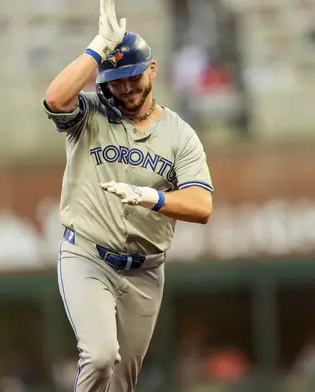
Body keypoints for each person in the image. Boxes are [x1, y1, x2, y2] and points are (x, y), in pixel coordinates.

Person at [42, 0, 214, 390]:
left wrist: (150, 197)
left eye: (132, 77)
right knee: (101, 356)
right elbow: (55, 100)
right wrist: (99, 47)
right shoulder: (90, 114)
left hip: (145, 271)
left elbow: (202, 206)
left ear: (151, 69)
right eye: (115, 80)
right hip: (88, 255)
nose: (125, 88)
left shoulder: (179, 135)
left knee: (121, 382)